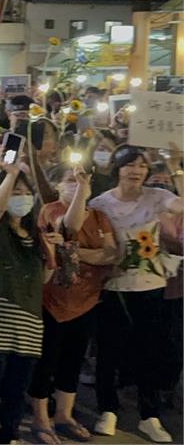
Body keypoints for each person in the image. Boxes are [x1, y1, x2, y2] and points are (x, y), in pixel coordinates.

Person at [88, 146, 183, 443]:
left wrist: (175, 165)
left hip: (150, 284)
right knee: (109, 351)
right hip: (113, 286)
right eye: (130, 165)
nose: (137, 171)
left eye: (142, 165)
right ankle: (108, 409)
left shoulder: (156, 197)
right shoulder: (100, 203)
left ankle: (149, 415)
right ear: (118, 168)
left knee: (150, 351)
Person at [27, 164, 118, 444]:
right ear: (57, 186)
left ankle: (64, 414)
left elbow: (111, 254)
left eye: (82, 181)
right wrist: (90, 252)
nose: (79, 185)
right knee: (46, 361)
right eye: (70, 181)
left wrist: (77, 252)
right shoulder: (50, 210)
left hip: (87, 300)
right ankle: (41, 418)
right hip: (53, 301)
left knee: (73, 360)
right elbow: (69, 227)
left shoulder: (101, 217)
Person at [0, 159, 51, 445]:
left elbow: (46, 277)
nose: (22, 198)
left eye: (26, 193)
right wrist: (10, 174)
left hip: (28, 323)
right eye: (16, 192)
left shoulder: (37, 235)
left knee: (16, 388)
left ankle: (10, 435)